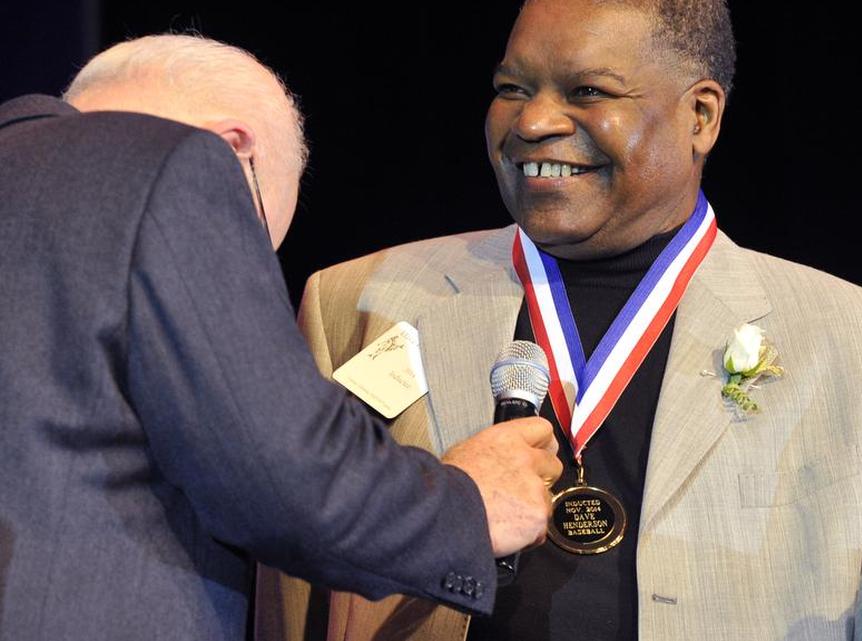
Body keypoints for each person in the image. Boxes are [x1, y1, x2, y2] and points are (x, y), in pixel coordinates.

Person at [256, 1, 862, 640]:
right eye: (511, 88)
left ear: (701, 117)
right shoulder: (361, 301)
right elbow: (285, 585)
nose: (532, 122)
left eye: (587, 91)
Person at [0, 34, 561, 641]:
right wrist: (468, 505)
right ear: (232, 149)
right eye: (251, 239)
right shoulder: (181, 167)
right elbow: (281, 475)